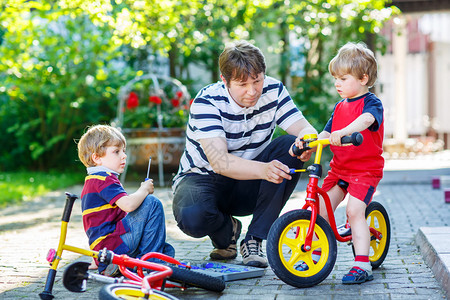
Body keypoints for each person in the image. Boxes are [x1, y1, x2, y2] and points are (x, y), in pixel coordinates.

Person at [172, 40, 317, 268]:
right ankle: (228, 230)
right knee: (193, 217)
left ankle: (254, 239)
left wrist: (307, 142)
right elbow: (219, 162)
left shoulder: (273, 90)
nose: (252, 91)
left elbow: (306, 129)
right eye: (242, 84)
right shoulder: (207, 102)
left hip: (249, 183)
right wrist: (264, 169)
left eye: (257, 81)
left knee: (289, 145)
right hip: (204, 178)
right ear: (225, 80)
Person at [295, 42, 384, 284]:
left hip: (365, 171)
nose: (337, 84)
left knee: (355, 212)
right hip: (340, 169)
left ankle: (362, 264)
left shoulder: (371, 103)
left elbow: (366, 120)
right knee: (321, 211)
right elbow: (326, 133)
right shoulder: (339, 106)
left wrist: (345, 131)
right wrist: (310, 143)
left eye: (343, 79)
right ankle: (314, 256)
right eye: (336, 78)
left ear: (363, 78)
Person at [77, 124, 174, 276]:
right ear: (96, 158)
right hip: (113, 245)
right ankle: (148, 266)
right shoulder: (104, 179)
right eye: (116, 151)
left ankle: (121, 265)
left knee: (166, 249)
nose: (124, 156)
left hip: (106, 249)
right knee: (152, 203)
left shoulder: (93, 180)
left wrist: (97, 259)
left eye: (123, 151)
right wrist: (144, 190)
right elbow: (128, 205)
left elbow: (97, 224)